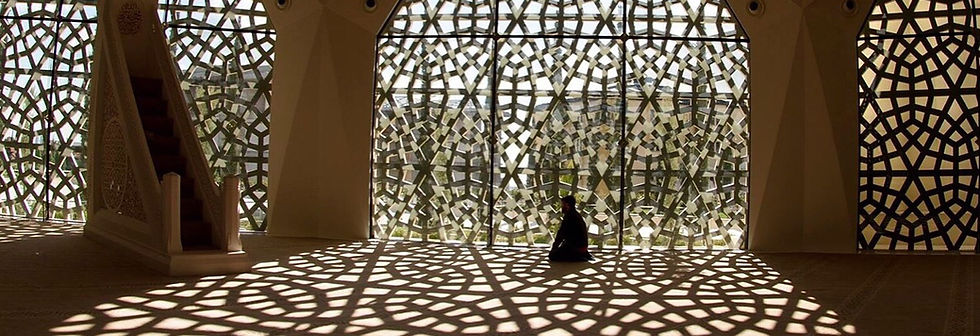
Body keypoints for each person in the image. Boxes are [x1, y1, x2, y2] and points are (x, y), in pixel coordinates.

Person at [549, 195, 594, 262]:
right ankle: (582, 254)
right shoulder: (576, 215)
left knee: (552, 256)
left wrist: (554, 248)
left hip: (576, 248)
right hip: (582, 247)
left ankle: (578, 257)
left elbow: (561, 234)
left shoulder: (569, 216)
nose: (562, 207)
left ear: (567, 205)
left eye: (563, 204)